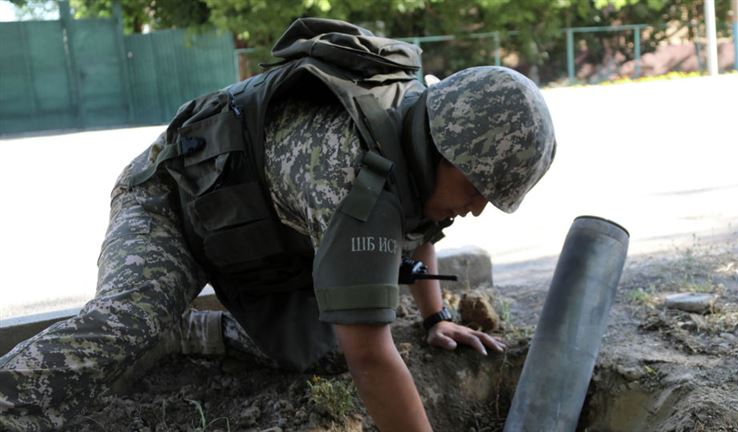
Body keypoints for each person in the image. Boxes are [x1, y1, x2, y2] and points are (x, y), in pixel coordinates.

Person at [0, 18, 556, 432]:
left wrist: (437, 316)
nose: (478, 207)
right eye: (477, 189)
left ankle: (197, 330)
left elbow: (421, 224)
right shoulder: (354, 182)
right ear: (445, 146)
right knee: (131, 321)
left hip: (261, 235)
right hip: (168, 203)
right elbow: (372, 355)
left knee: (325, 348)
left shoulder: (425, 125)